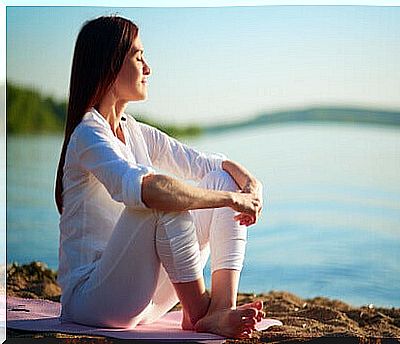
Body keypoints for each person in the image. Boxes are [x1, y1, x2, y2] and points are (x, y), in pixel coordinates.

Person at [54, 15, 264, 339]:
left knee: (222, 181)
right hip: (93, 301)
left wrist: (250, 184)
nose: (148, 68)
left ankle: (220, 308)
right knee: (160, 199)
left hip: (145, 299)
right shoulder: (88, 134)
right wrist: (230, 200)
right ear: (110, 64)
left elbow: (210, 164)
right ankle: (198, 314)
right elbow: (149, 189)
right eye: (138, 57)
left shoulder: (134, 130)